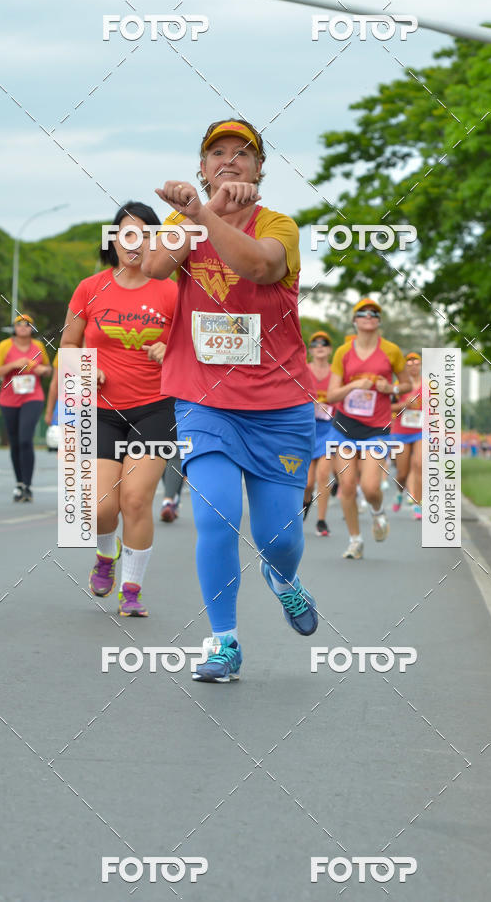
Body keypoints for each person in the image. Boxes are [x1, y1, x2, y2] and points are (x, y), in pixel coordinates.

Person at [142, 117, 318, 682]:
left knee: (280, 539)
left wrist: (206, 215)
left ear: (260, 168)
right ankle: (224, 640)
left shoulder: (281, 225)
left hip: (279, 404)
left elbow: (259, 266)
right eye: (216, 152)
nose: (229, 160)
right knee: (216, 515)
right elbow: (151, 267)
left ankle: (283, 578)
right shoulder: (182, 220)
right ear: (201, 166)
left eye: (243, 153)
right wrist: (195, 215)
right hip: (204, 399)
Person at [60, 201, 178, 616]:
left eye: (146, 233)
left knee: (134, 499)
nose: (136, 241)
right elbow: (69, 344)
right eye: (127, 233)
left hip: (156, 408)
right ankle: (105, 555)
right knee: (99, 507)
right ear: (113, 240)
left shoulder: (173, 289)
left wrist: (172, 347)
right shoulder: (90, 288)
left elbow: (197, 345)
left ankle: (132, 590)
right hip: (100, 411)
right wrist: (83, 371)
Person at [327, 298, 410, 559]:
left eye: (374, 313)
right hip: (344, 426)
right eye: (362, 313)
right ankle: (355, 540)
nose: (369, 316)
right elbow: (331, 395)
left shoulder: (392, 351)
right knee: (348, 485)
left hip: (376, 428)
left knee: (371, 487)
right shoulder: (343, 352)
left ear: (379, 321)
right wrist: (353, 386)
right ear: (354, 320)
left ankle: (377, 512)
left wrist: (391, 388)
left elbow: (406, 385)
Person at [0, 313, 51, 502]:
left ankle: (28, 485)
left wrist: (41, 370)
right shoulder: (4, 346)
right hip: (9, 399)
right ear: (14, 328)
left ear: (32, 328)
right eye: (19, 324)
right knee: (15, 443)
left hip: (33, 397)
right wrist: (14, 364)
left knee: (25, 440)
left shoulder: (38, 347)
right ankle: (19, 483)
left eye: (27, 324)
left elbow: (48, 370)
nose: (23, 327)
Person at [303, 330, 336, 536]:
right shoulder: (304, 370)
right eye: (315, 344)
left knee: (324, 474)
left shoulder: (336, 373)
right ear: (310, 350)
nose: (319, 347)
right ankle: (305, 502)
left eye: (324, 343)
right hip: (307, 429)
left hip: (330, 429)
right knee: (307, 482)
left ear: (330, 349)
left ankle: (321, 520)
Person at [390, 351, 423, 520]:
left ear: (421, 365)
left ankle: (418, 504)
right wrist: (405, 404)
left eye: (416, 363)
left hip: (421, 431)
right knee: (402, 473)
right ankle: (399, 492)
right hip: (401, 432)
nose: (413, 367)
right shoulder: (399, 385)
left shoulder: (429, 386)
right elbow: (388, 408)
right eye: (409, 364)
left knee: (419, 465)